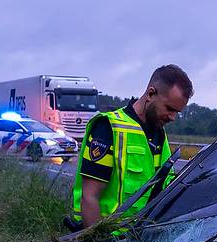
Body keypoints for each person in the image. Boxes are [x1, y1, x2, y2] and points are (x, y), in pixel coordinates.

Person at [71, 64, 192, 229]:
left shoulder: (159, 133)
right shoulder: (108, 127)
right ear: (150, 93)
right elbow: (89, 197)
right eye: (169, 109)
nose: (172, 117)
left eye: (177, 112)